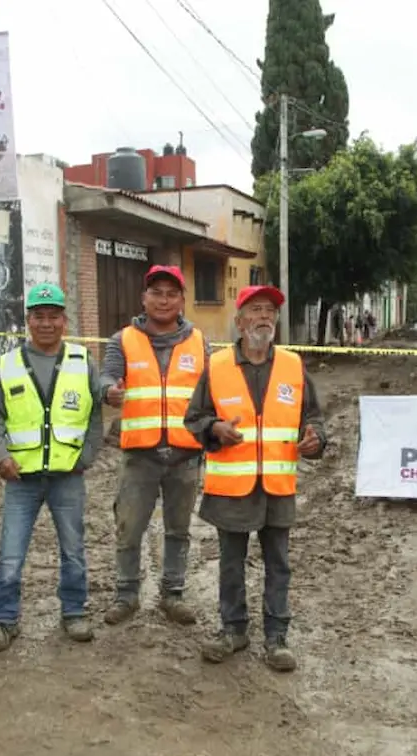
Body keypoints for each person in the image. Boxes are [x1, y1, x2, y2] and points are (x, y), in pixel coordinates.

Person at [183, 285, 327, 672]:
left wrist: (316, 438)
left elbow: (312, 418)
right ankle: (233, 629)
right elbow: (193, 418)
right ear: (240, 321)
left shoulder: (293, 367)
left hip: (277, 487)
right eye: (256, 310)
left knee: (278, 563)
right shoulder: (216, 367)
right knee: (231, 563)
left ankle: (276, 637)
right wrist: (214, 428)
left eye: (270, 311)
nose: (264, 317)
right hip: (233, 488)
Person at [0, 282, 102, 653]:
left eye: (53, 316)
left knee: (73, 550)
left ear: (64, 320)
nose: (46, 323)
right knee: (11, 553)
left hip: (68, 476)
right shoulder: (8, 363)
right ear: (28, 321)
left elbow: (97, 411)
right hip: (22, 478)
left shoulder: (83, 362)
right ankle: (5, 620)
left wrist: (87, 456)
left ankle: (74, 612)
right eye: (39, 317)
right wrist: (1, 456)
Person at [100, 265, 208, 628]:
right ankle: (127, 594)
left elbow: (213, 391)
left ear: (181, 300)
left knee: (178, 530)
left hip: (185, 455)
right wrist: (109, 391)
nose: (163, 300)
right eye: (156, 293)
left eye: (171, 294)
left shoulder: (199, 342)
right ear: (144, 298)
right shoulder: (123, 340)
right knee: (128, 528)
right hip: (140, 455)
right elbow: (107, 376)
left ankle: (172, 594)